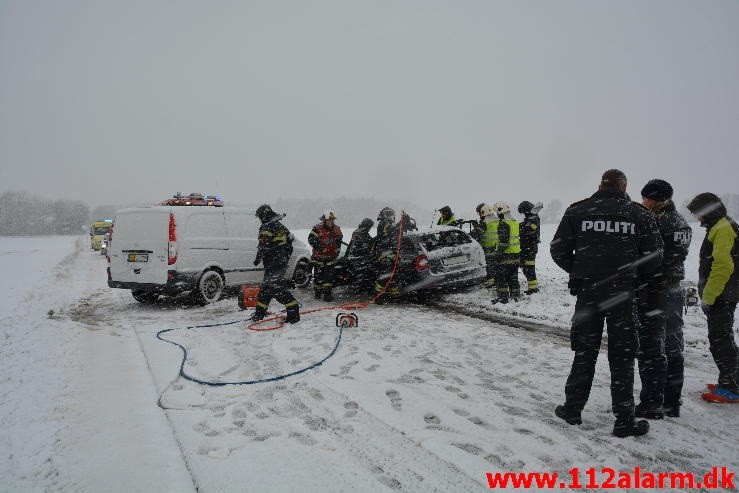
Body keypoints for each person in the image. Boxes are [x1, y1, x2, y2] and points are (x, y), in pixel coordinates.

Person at [550, 169, 663, 437]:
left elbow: (558, 249)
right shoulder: (640, 214)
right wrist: (634, 276)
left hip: (589, 292)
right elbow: (655, 256)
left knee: (584, 352)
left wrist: (581, 271)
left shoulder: (578, 210)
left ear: (600, 185)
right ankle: (624, 419)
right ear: (625, 187)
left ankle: (572, 409)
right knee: (622, 357)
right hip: (623, 295)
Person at [635, 179, 692, 419]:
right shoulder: (681, 223)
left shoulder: (658, 222)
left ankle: (652, 402)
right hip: (673, 291)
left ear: (658, 200)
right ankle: (671, 401)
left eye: (646, 198)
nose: (643, 202)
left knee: (651, 349)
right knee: (673, 346)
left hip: (655, 290)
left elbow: (649, 256)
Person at [686, 192, 739, 403]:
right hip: (727, 293)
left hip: (722, 295)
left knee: (720, 340)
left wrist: (709, 296)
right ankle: (732, 380)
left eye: (699, 213)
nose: (698, 218)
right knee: (724, 337)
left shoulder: (723, 228)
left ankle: (730, 387)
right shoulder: (723, 225)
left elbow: (723, 266)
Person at [252, 205, 300, 323]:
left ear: (264, 215)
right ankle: (260, 313)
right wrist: (284, 258)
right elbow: (290, 245)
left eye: (260, 217)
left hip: (272, 264)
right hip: (280, 263)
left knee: (277, 289)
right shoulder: (281, 227)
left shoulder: (266, 227)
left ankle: (294, 312)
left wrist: (258, 259)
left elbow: (263, 246)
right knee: (266, 288)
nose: (260, 219)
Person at [486, 201, 521, 304]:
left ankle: (503, 298)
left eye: (497, 212)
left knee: (501, 278)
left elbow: (504, 242)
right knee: (513, 277)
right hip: (515, 255)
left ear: (500, 212)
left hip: (506, 256)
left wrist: (498, 254)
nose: (496, 215)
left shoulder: (503, 223)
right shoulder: (514, 222)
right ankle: (515, 296)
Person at [308, 210, 343, 302]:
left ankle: (327, 294)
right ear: (324, 220)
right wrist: (320, 247)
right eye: (329, 220)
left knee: (329, 277)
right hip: (318, 257)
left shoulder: (337, 229)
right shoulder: (317, 228)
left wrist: (337, 250)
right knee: (318, 276)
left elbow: (339, 240)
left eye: (332, 220)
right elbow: (311, 239)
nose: (330, 222)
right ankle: (318, 292)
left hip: (331, 257)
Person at [373, 207, 402, 302]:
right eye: (391, 215)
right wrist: (401, 224)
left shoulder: (388, 224)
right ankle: (378, 296)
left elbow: (394, 233)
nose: (393, 217)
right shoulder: (384, 224)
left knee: (393, 274)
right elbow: (390, 232)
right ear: (387, 215)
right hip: (384, 254)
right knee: (385, 274)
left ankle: (393, 294)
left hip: (391, 253)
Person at [518, 201, 543, 295]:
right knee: (527, 267)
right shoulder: (530, 218)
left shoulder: (533, 219)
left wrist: (519, 228)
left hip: (529, 248)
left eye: (523, 212)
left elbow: (529, 229)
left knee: (529, 268)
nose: (523, 214)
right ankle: (533, 287)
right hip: (527, 248)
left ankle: (533, 289)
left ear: (526, 210)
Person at [346, 218, 376, 293]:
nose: (370, 229)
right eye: (369, 227)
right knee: (361, 273)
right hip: (357, 258)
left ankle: (362, 287)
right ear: (367, 226)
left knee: (363, 273)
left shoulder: (363, 232)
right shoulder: (358, 233)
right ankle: (360, 288)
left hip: (359, 257)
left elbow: (369, 242)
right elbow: (362, 244)